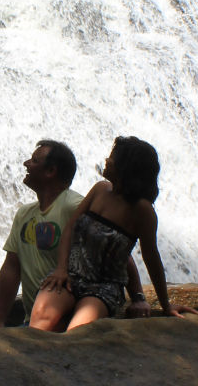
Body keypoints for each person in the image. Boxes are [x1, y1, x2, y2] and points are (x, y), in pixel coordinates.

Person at [30, 136, 184, 331]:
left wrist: (165, 305)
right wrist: (61, 269)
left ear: (126, 167)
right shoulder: (100, 189)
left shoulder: (143, 211)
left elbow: (151, 257)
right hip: (71, 275)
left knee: (78, 331)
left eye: (113, 157)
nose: (107, 160)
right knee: (40, 318)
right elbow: (70, 227)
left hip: (103, 287)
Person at [0, 140, 149, 328]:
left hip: (70, 318)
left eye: (34, 161)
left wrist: (138, 297)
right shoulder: (24, 214)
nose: (26, 164)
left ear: (51, 171)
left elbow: (120, 255)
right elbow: (12, 268)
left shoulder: (73, 205)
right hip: (36, 319)